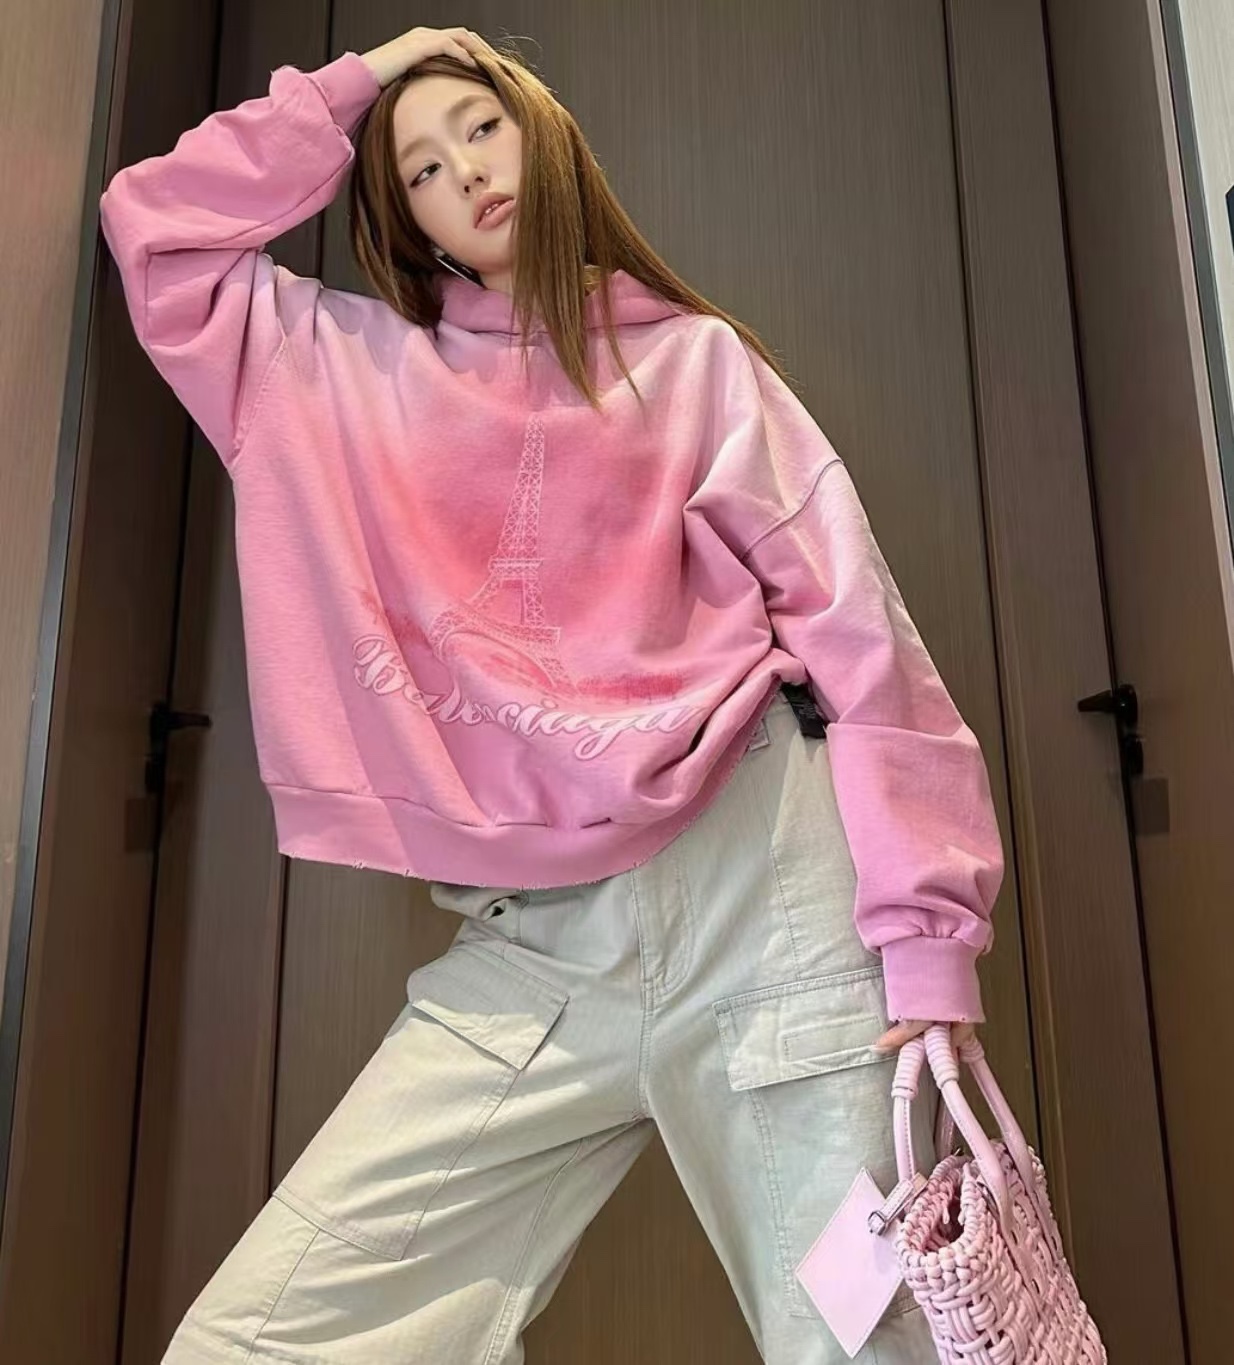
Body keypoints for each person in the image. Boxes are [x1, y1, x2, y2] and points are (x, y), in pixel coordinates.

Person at [99, 24, 1003, 1364]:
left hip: (764, 889)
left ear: (544, 139)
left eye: (481, 127)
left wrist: (927, 932)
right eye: (420, 167)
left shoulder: (694, 366)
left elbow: (862, 639)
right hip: (536, 944)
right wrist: (365, 78)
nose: (464, 169)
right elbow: (157, 229)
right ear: (401, 221)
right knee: (268, 1342)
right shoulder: (330, 370)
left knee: (870, 1344)